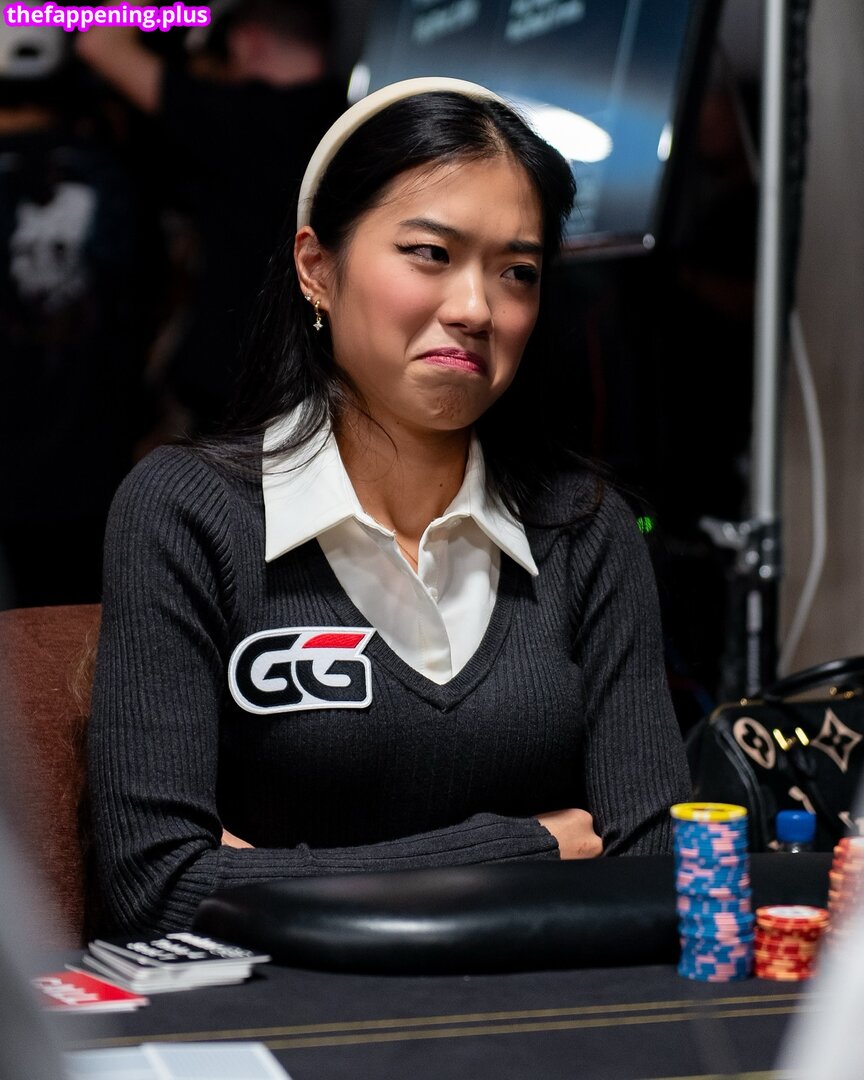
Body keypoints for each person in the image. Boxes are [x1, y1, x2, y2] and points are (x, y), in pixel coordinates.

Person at [88, 77, 692, 937]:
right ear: (316, 268)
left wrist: (265, 873)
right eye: (430, 253)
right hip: (284, 1013)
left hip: (539, 1003)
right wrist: (526, 848)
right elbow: (159, 885)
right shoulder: (189, 514)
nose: (476, 309)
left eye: (517, 272)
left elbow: (655, 867)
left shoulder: (584, 529)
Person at [74, 0, 347, 432]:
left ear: (247, 42)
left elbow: (100, 42)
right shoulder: (357, 125)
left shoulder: (238, 120)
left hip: (231, 394)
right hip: (323, 394)